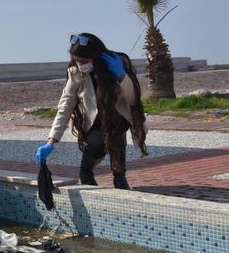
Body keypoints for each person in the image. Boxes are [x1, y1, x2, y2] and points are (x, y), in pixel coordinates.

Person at [35, 33, 148, 189]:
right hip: (94, 120)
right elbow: (65, 105)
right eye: (76, 60)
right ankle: (86, 174)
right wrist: (51, 141)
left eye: (84, 61)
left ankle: (119, 177)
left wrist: (121, 75)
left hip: (117, 117)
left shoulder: (116, 65)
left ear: (95, 57)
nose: (80, 64)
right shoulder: (75, 72)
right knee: (95, 146)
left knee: (117, 142)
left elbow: (132, 98)